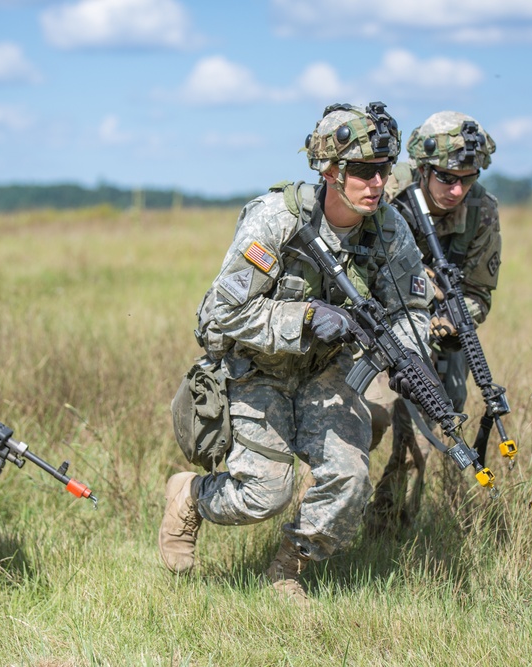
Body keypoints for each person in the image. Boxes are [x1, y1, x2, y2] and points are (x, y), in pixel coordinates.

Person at [158, 102, 433, 602]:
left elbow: (413, 308)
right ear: (330, 170)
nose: (377, 182)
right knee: (264, 493)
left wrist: (403, 354)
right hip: (255, 369)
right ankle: (191, 497)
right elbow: (220, 313)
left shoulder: (390, 231)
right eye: (364, 171)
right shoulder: (276, 221)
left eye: (384, 170)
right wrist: (305, 318)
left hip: (328, 373)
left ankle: (287, 568)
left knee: (349, 482)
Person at [363, 111, 502, 532]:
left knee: (428, 428)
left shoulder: (482, 212)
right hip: (374, 325)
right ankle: (319, 515)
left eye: (468, 177)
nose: (457, 189)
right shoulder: (382, 192)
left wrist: (444, 322)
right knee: (364, 417)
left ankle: (386, 527)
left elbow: (478, 295)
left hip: (440, 334)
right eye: (445, 177)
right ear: (422, 168)